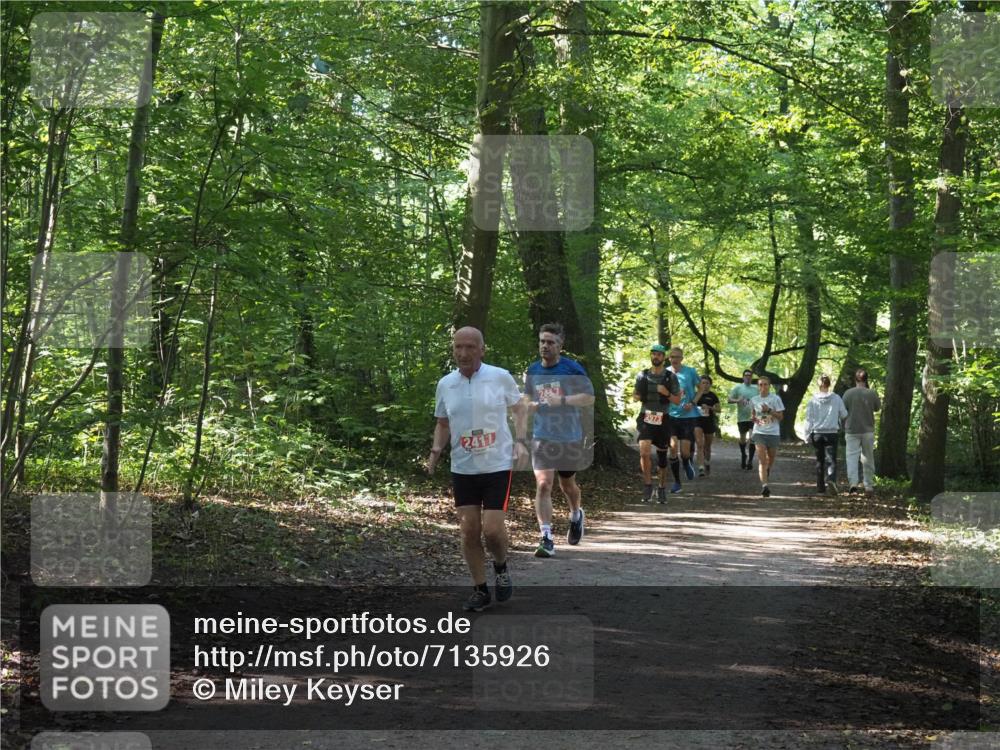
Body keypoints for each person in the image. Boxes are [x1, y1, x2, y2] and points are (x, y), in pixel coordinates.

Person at [427, 327, 528, 612]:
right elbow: (442, 423)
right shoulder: (446, 384)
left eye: (470, 347)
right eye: (458, 347)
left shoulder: (500, 377)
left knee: (492, 531)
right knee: (469, 530)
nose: (463, 353)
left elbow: (519, 409)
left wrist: (521, 441)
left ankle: (501, 566)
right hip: (463, 467)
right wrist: (436, 451)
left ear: (482, 350)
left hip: (497, 465)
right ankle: (480, 589)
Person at [524, 323, 595, 557]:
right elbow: (527, 399)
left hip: (569, 436)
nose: (545, 346)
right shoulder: (533, 370)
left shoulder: (571, 369)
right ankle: (546, 538)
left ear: (560, 346)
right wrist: (528, 406)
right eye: (542, 341)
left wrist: (562, 401)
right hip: (542, 435)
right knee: (544, 484)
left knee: (567, 485)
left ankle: (576, 514)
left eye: (550, 342)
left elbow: (588, 398)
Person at [632, 344, 681, 502]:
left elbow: (677, 400)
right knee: (644, 452)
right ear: (651, 356)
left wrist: (666, 393)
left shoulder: (670, 377)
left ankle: (661, 488)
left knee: (662, 457)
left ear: (664, 357)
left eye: (659, 354)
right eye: (653, 354)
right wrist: (636, 396)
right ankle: (647, 485)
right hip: (646, 417)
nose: (656, 357)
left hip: (663, 419)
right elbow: (635, 394)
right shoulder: (642, 375)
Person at [803, 375, 848, 496]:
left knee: (820, 460)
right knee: (831, 460)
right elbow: (844, 414)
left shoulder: (813, 400)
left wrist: (806, 434)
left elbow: (808, 419)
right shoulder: (836, 398)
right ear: (829, 384)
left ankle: (820, 488)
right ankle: (832, 480)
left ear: (819, 385)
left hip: (817, 433)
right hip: (832, 433)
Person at [842, 368, 881, 497]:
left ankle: (853, 484)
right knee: (868, 458)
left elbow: (843, 410)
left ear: (855, 379)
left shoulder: (848, 393)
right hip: (867, 430)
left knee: (851, 457)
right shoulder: (872, 393)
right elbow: (877, 408)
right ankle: (868, 485)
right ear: (866, 379)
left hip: (851, 430)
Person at [666, 347, 700, 494]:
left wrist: (692, 403)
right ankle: (677, 482)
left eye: (677, 357)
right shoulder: (665, 373)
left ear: (682, 358)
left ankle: (686, 462)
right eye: (672, 357)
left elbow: (701, 389)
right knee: (673, 448)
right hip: (671, 415)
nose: (675, 359)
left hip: (688, 416)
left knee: (685, 452)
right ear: (669, 358)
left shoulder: (690, 372)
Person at [750, 375, 784, 497]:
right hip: (759, 432)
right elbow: (753, 415)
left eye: (765, 384)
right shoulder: (754, 399)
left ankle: (766, 470)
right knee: (762, 460)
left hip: (773, 433)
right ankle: (765, 486)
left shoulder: (776, 399)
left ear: (769, 386)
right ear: (758, 387)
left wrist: (769, 411)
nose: (763, 387)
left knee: (771, 459)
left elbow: (780, 417)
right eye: (761, 384)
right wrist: (754, 419)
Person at [728, 369, 758, 470]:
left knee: (752, 438)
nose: (748, 377)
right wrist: (737, 400)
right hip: (742, 418)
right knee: (742, 439)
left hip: (754, 417)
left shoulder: (756, 388)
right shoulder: (738, 388)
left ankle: (750, 461)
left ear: (752, 377)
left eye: (750, 375)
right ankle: (743, 455)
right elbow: (729, 399)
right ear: (743, 377)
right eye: (746, 375)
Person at [694, 375, 720, 477]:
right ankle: (701, 467)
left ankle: (707, 463)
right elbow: (690, 405)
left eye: (707, 383)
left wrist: (709, 407)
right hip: (697, 421)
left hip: (709, 422)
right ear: (699, 384)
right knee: (699, 444)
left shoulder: (713, 396)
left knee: (707, 446)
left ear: (710, 384)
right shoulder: (695, 394)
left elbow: (719, 409)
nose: (705, 385)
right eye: (703, 383)